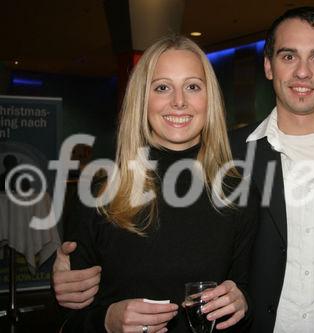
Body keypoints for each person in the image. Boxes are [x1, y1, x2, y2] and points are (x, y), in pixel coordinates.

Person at [53, 7, 314, 333]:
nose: (303, 72)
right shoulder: (229, 156)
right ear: (268, 65)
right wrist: (68, 282)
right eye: (288, 55)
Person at [57, 35, 258, 333]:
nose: (179, 101)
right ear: (142, 99)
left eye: (192, 86)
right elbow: (68, 319)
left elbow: (249, 297)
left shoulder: (238, 191)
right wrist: (107, 321)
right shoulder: (97, 190)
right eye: (162, 87)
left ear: (209, 99)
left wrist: (242, 303)